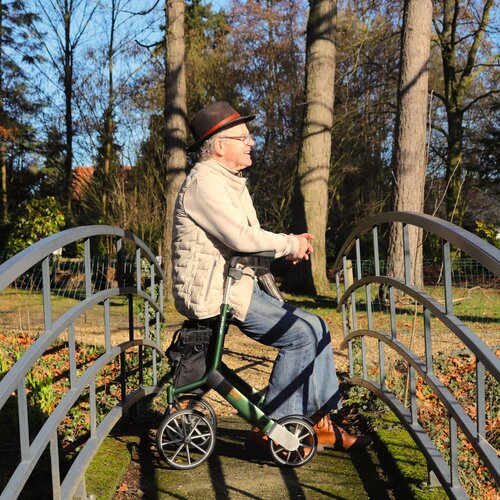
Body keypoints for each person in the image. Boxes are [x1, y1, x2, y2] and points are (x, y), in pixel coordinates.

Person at [171, 101, 371, 451]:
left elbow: (241, 242)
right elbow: (240, 238)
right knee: (300, 335)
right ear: (219, 145)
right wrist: (288, 243)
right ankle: (274, 428)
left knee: (317, 326)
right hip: (216, 293)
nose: (251, 142)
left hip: (236, 284)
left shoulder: (227, 181)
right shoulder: (205, 184)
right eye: (243, 137)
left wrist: (284, 252)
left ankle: (318, 421)